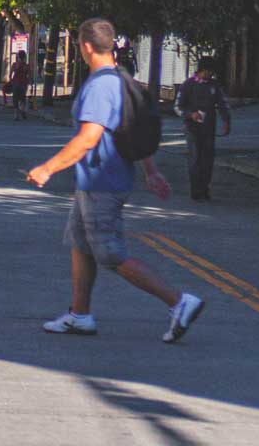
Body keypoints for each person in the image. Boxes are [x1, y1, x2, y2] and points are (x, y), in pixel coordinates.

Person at [26, 17, 205, 344]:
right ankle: (79, 315)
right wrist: (150, 170)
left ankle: (178, 302)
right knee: (80, 244)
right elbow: (131, 129)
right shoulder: (123, 80)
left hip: (102, 182)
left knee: (109, 252)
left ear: (86, 47)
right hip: (98, 180)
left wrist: (48, 168)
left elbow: (88, 138)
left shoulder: (100, 86)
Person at [175, 58, 231, 202]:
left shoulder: (214, 86)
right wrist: (190, 114)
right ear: (200, 70)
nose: (210, 74)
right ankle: (195, 189)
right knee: (195, 158)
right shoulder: (188, 85)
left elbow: (223, 104)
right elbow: (177, 107)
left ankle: (204, 187)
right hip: (192, 128)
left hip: (209, 128)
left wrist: (226, 120)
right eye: (208, 71)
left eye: (212, 72)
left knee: (207, 159)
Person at [9, 50, 32, 121]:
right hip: (23, 84)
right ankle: (22, 110)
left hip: (15, 83)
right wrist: (29, 82)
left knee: (15, 98)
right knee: (22, 98)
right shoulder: (27, 66)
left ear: (17, 57)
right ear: (25, 57)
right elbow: (29, 76)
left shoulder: (14, 65)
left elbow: (10, 75)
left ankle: (16, 115)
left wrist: (12, 81)